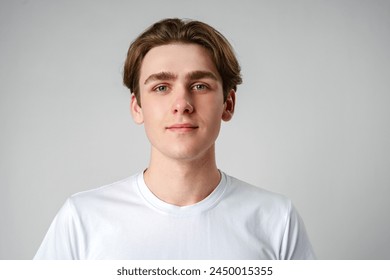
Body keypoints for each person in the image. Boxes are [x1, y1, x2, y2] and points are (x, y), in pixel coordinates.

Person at [34, 18, 315, 260]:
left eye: (200, 85)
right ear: (137, 107)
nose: (182, 103)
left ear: (228, 104)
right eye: (161, 87)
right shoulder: (82, 219)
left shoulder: (277, 219)